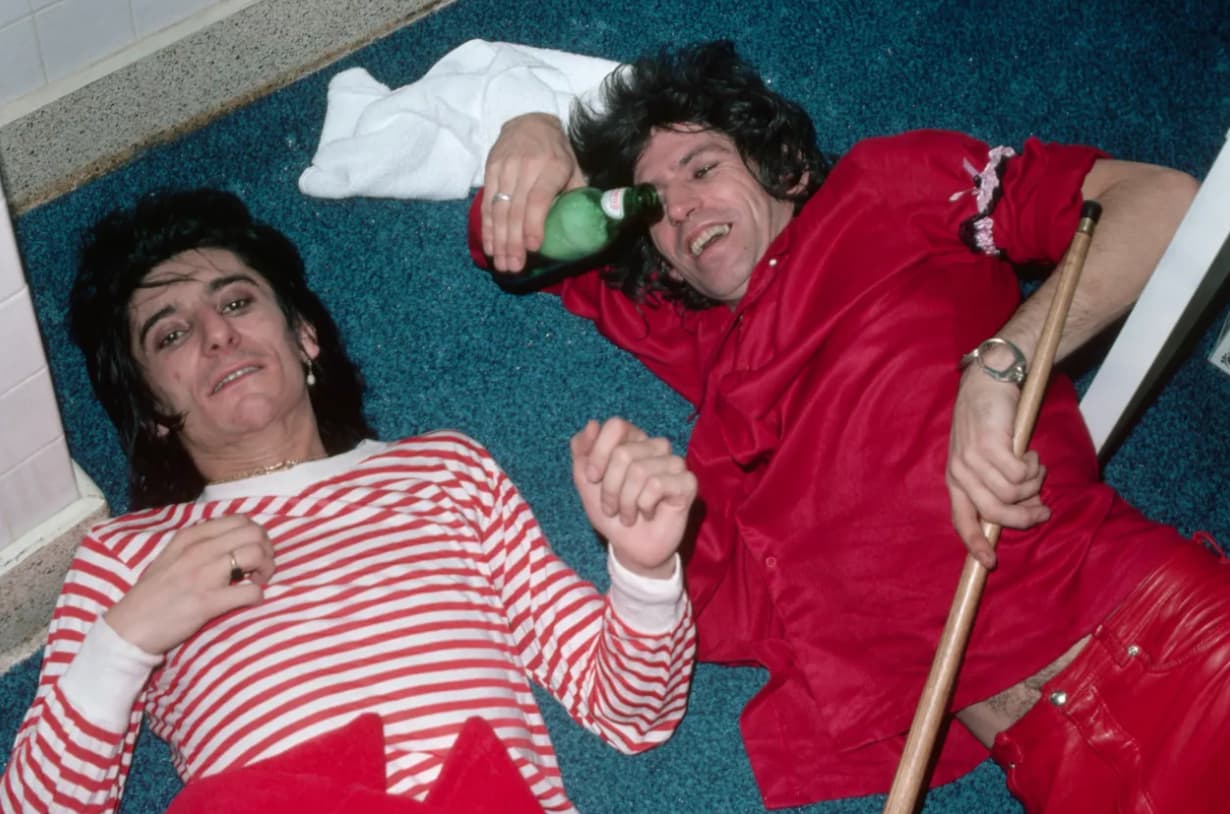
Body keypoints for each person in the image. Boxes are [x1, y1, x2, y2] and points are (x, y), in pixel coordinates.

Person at [472, 40, 1229, 813]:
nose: (685, 207)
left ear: (788, 168)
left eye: (702, 169)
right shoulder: (705, 353)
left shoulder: (883, 189)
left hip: (1174, 650)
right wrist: (534, 134)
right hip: (1044, 760)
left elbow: (1164, 205)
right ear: (663, 263)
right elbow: (513, 240)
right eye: (654, 205)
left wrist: (1001, 365)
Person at [1, 188, 698, 814]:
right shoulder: (126, 556)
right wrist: (130, 635)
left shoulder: (445, 468)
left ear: (303, 336)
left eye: (237, 301)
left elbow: (631, 715)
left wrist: (644, 572)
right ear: (152, 406)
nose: (217, 334)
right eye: (172, 334)